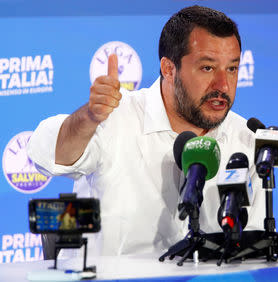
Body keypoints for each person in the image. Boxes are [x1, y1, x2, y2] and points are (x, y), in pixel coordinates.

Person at [27, 5, 265, 257]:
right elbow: (49, 157)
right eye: (207, 68)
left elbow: (253, 247)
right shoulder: (116, 118)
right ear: (168, 69)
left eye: (232, 68)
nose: (223, 85)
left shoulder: (246, 139)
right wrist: (89, 116)